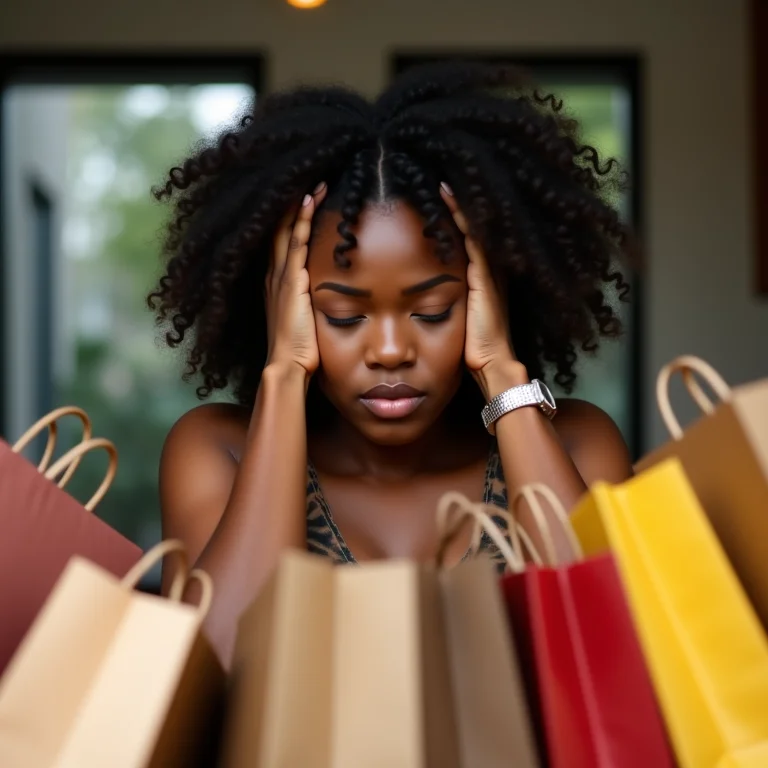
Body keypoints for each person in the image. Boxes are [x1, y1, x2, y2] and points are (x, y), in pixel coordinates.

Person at [149, 61, 634, 665]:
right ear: (281, 304)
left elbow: (617, 657)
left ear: (492, 298)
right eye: (344, 317)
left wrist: (502, 375)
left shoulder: (575, 444)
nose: (388, 350)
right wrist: (283, 377)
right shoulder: (218, 451)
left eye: (432, 311)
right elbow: (213, 678)